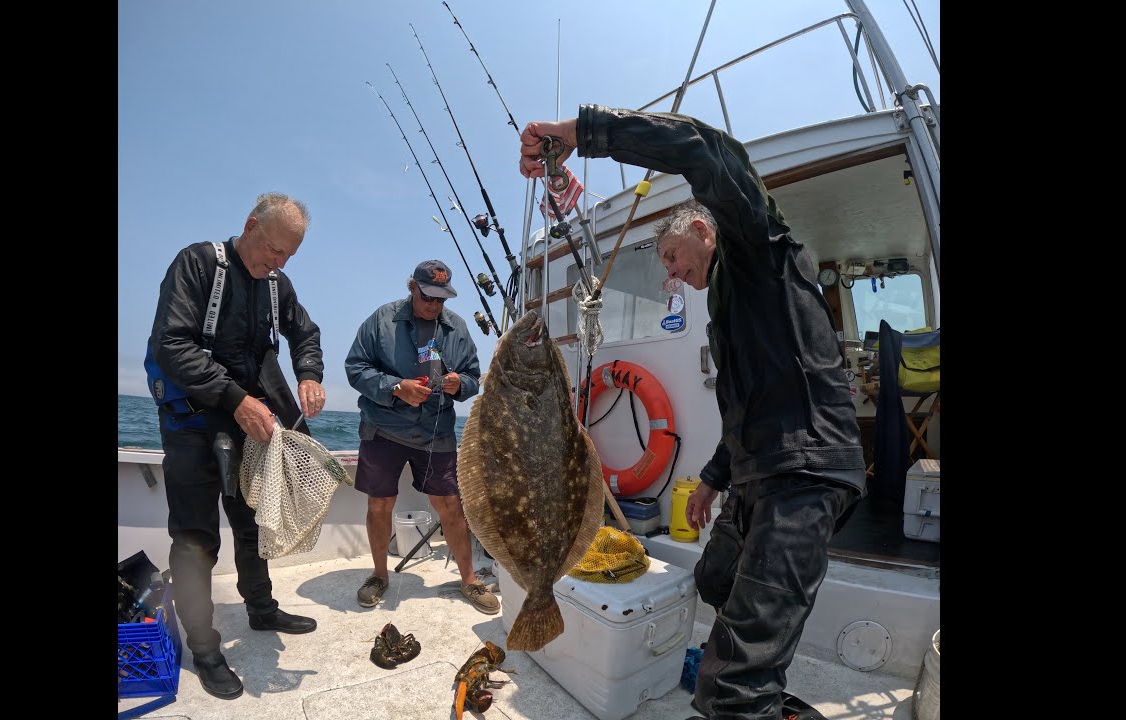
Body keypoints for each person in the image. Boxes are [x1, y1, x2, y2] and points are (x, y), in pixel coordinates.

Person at [520, 107, 864, 720]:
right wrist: (712, 480)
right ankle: (750, 676)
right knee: (714, 580)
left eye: (674, 257)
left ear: (706, 229)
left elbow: (708, 153)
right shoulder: (733, 308)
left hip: (805, 476)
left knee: (726, 693)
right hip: (763, 468)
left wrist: (581, 134)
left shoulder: (757, 254)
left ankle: (743, 689)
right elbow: (747, 407)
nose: (673, 274)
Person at [146, 192, 327, 700]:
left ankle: (262, 609)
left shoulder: (277, 284)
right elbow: (172, 344)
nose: (279, 262)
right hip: (193, 420)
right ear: (249, 225)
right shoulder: (199, 264)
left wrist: (309, 374)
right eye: (274, 250)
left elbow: (304, 332)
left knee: (252, 520)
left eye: (289, 256)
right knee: (197, 538)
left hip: (250, 421)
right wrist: (235, 398)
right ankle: (203, 649)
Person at [344, 260, 499, 615]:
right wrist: (396, 388)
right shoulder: (381, 320)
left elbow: (474, 377)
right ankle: (379, 576)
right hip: (383, 427)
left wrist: (462, 384)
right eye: (427, 296)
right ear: (412, 287)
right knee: (380, 503)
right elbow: (355, 368)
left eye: (441, 299)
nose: (434, 305)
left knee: (451, 506)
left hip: (435, 430)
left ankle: (469, 581)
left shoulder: (457, 328)